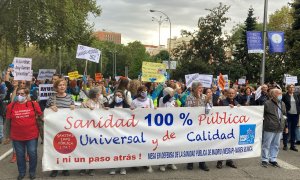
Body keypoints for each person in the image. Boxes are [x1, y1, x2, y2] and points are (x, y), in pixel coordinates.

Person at [6, 87, 43, 180]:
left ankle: (32, 172)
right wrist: (7, 136)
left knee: (32, 153)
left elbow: (41, 116)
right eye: (18, 94)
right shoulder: (11, 106)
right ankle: (21, 172)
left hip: (32, 135)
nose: (19, 96)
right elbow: (8, 121)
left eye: (22, 94)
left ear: (27, 95)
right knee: (20, 155)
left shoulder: (33, 104)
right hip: (17, 136)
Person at [46, 79, 75, 177]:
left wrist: (73, 107)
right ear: (56, 87)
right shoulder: (51, 98)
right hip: (54, 129)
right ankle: (55, 168)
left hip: (67, 128)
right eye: (60, 85)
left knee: (66, 148)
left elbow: (75, 112)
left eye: (63, 85)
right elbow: (46, 111)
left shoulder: (70, 97)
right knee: (55, 148)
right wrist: (51, 108)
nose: (62, 87)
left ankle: (65, 168)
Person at [185, 82, 209, 171]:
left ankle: (202, 163)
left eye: (202, 88)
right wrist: (197, 100)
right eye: (199, 88)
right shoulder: (189, 97)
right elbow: (187, 110)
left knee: (202, 143)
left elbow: (209, 110)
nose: (201, 89)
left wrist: (207, 103)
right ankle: (190, 162)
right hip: (192, 123)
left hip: (202, 123)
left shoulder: (205, 97)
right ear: (194, 89)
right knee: (192, 143)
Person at [130, 85, 154, 173]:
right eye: (143, 91)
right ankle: (135, 162)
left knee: (146, 144)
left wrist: (155, 109)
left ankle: (145, 162)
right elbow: (131, 113)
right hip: (137, 126)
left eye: (146, 90)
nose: (145, 92)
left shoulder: (150, 100)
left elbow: (153, 112)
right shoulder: (134, 102)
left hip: (147, 126)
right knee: (137, 144)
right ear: (139, 92)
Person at [261, 88, 287, 168]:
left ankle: (273, 159)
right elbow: (262, 114)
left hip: (279, 127)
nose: (280, 95)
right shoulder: (267, 103)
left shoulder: (282, 103)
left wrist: (286, 126)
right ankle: (265, 159)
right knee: (267, 144)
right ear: (273, 95)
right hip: (269, 127)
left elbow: (284, 115)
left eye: (281, 93)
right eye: (278, 93)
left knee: (276, 144)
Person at [108, 90, 130, 175]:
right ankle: (113, 167)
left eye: (120, 96)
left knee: (123, 149)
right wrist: (105, 109)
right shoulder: (110, 106)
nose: (118, 97)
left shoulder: (127, 106)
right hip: (113, 132)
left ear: (123, 97)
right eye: (116, 95)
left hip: (124, 132)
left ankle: (122, 167)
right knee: (113, 150)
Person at [217, 88, 238, 169]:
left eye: (232, 93)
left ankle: (229, 161)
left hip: (233, 127)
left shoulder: (236, 103)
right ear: (227, 94)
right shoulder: (223, 102)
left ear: (235, 94)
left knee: (231, 144)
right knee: (223, 144)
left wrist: (239, 108)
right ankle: (219, 161)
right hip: (224, 127)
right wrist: (226, 107)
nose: (231, 95)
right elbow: (219, 111)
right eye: (229, 93)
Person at [158, 87, 178, 172]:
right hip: (164, 126)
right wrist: (175, 90)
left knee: (172, 145)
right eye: (170, 92)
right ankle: (162, 164)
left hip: (173, 125)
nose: (172, 94)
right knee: (164, 145)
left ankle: (171, 162)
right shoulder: (162, 99)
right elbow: (167, 98)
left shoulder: (173, 100)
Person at [282, 84, 300, 151]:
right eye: (290, 87)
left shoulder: (296, 95)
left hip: (295, 115)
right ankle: (285, 145)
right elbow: (282, 105)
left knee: (294, 130)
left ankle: (292, 145)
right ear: (287, 88)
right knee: (286, 129)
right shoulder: (284, 96)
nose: (292, 89)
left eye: (293, 87)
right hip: (288, 115)